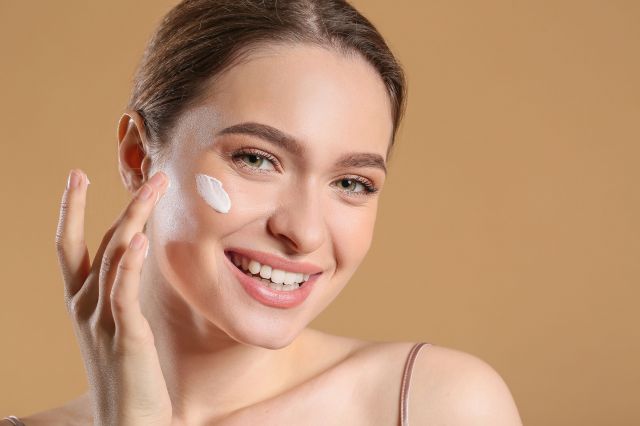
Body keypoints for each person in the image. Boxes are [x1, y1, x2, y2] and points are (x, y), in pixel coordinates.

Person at [3, 0, 522, 424]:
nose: (303, 231)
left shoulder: (436, 405)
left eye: (351, 183)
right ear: (138, 156)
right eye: (256, 159)